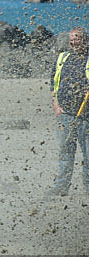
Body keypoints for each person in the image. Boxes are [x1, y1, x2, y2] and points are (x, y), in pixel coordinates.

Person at [49, 27, 89, 195]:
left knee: (88, 156)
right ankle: (61, 188)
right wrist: (56, 106)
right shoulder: (62, 58)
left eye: (77, 39)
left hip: (86, 117)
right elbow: (53, 84)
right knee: (65, 154)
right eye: (72, 39)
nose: (74, 42)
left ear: (85, 40)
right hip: (65, 115)